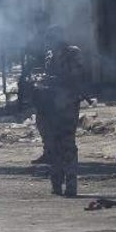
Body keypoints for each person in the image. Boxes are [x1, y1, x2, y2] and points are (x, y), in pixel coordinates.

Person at [38, 27, 85, 197]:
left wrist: (54, 81)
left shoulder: (72, 53)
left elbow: (76, 76)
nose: (48, 42)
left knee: (67, 143)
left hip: (68, 103)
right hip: (51, 104)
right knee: (52, 143)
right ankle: (56, 183)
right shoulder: (50, 55)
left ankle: (71, 185)